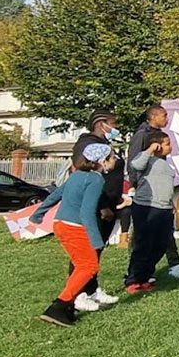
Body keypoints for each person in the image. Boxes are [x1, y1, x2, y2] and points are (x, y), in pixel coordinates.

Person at [33, 142, 115, 327]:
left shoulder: (77, 175)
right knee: (89, 266)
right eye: (112, 157)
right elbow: (87, 212)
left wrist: (38, 213)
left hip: (61, 224)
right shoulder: (96, 179)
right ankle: (60, 306)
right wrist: (97, 241)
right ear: (102, 161)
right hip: (74, 226)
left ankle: (67, 306)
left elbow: (56, 195)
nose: (115, 160)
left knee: (81, 266)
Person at [127, 105, 179, 280]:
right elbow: (134, 162)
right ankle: (136, 272)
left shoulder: (160, 139)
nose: (167, 119)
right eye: (164, 116)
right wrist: (137, 184)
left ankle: (169, 264)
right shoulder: (142, 135)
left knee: (163, 234)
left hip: (161, 195)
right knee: (142, 237)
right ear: (154, 116)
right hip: (146, 196)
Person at [68, 111, 125, 311]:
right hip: (96, 207)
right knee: (85, 252)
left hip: (110, 204)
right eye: (113, 124)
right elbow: (84, 173)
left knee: (96, 251)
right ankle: (77, 294)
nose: (115, 128)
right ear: (102, 124)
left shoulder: (105, 146)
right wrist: (101, 205)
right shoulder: (87, 145)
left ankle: (92, 289)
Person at [124, 131, 177, 293]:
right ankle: (133, 280)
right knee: (143, 244)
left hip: (164, 207)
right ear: (157, 145)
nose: (170, 146)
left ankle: (145, 275)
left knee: (160, 244)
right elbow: (135, 165)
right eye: (167, 143)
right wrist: (149, 150)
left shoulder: (165, 163)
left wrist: (171, 204)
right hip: (147, 207)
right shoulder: (146, 159)